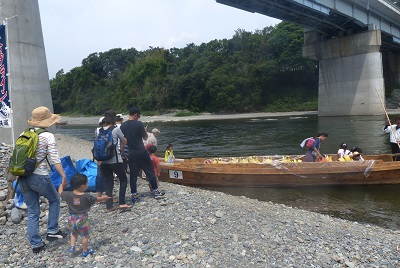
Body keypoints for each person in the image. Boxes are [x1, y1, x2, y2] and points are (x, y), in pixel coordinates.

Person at [19, 106, 68, 253]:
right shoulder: (48, 136)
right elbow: (54, 159)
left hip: (23, 177)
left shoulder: (24, 133)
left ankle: (36, 244)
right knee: (54, 200)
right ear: (47, 121)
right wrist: (64, 176)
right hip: (39, 176)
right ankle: (52, 230)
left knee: (33, 210)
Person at [58, 174, 111, 257]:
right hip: (82, 218)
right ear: (82, 186)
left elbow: (60, 192)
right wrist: (105, 198)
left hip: (71, 218)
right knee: (85, 236)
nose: (87, 185)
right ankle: (85, 251)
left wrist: (62, 184)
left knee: (73, 233)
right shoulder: (87, 196)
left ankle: (72, 247)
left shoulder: (67, 195)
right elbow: (97, 199)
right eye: (87, 183)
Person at [120, 107, 165, 202]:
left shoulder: (123, 126)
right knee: (150, 171)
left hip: (131, 153)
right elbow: (145, 138)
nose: (139, 117)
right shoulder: (139, 124)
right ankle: (155, 191)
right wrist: (144, 130)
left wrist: (123, 154)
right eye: (139, 116)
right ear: (136, 114)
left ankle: (134, 195)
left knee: (133, 175)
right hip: (141, 151)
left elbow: (122, 142)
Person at [99, 110, 131, 211]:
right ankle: (122, 202)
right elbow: (124, 141)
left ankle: (109, 206)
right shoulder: (116, 129)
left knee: (109, 182)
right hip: (115, 160)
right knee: (123, 179)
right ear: (113, 120)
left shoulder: (99, 130)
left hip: (103, 161)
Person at [95, 117, 106, 198]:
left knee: (100, 175)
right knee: (107, 175)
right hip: (106, 155)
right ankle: (108, 195)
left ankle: (99, 195)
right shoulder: (109, 130)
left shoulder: (97, 130)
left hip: (99, 155)